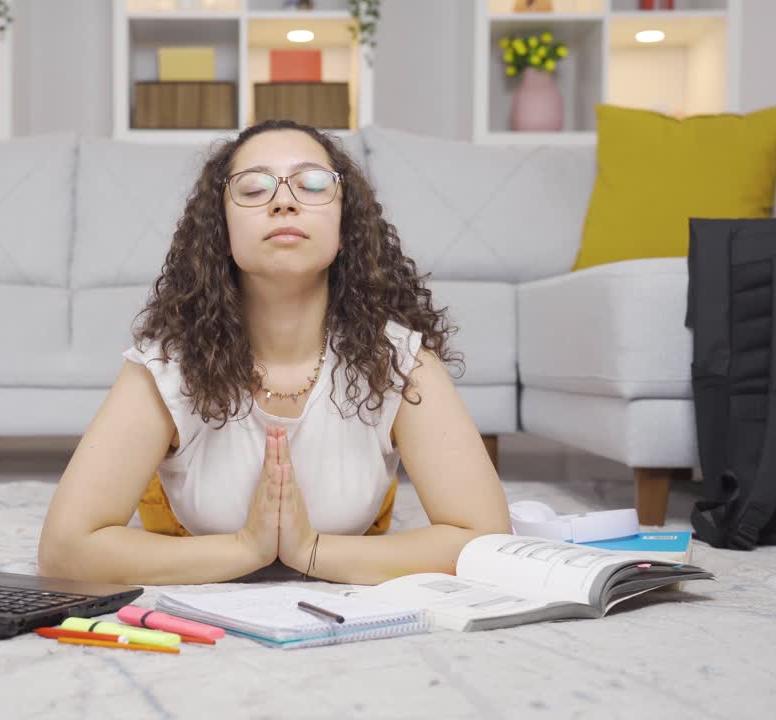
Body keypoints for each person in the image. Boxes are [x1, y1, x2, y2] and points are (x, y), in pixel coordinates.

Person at [38, 119, 510, 586]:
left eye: (313, 184)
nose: (284, 200)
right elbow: (64, 550)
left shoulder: (399, 361)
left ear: (345, 225)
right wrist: (247, 547)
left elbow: (487, 539)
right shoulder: (167, 366)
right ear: (221, 231)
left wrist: (310, 549)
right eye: (253, 188)